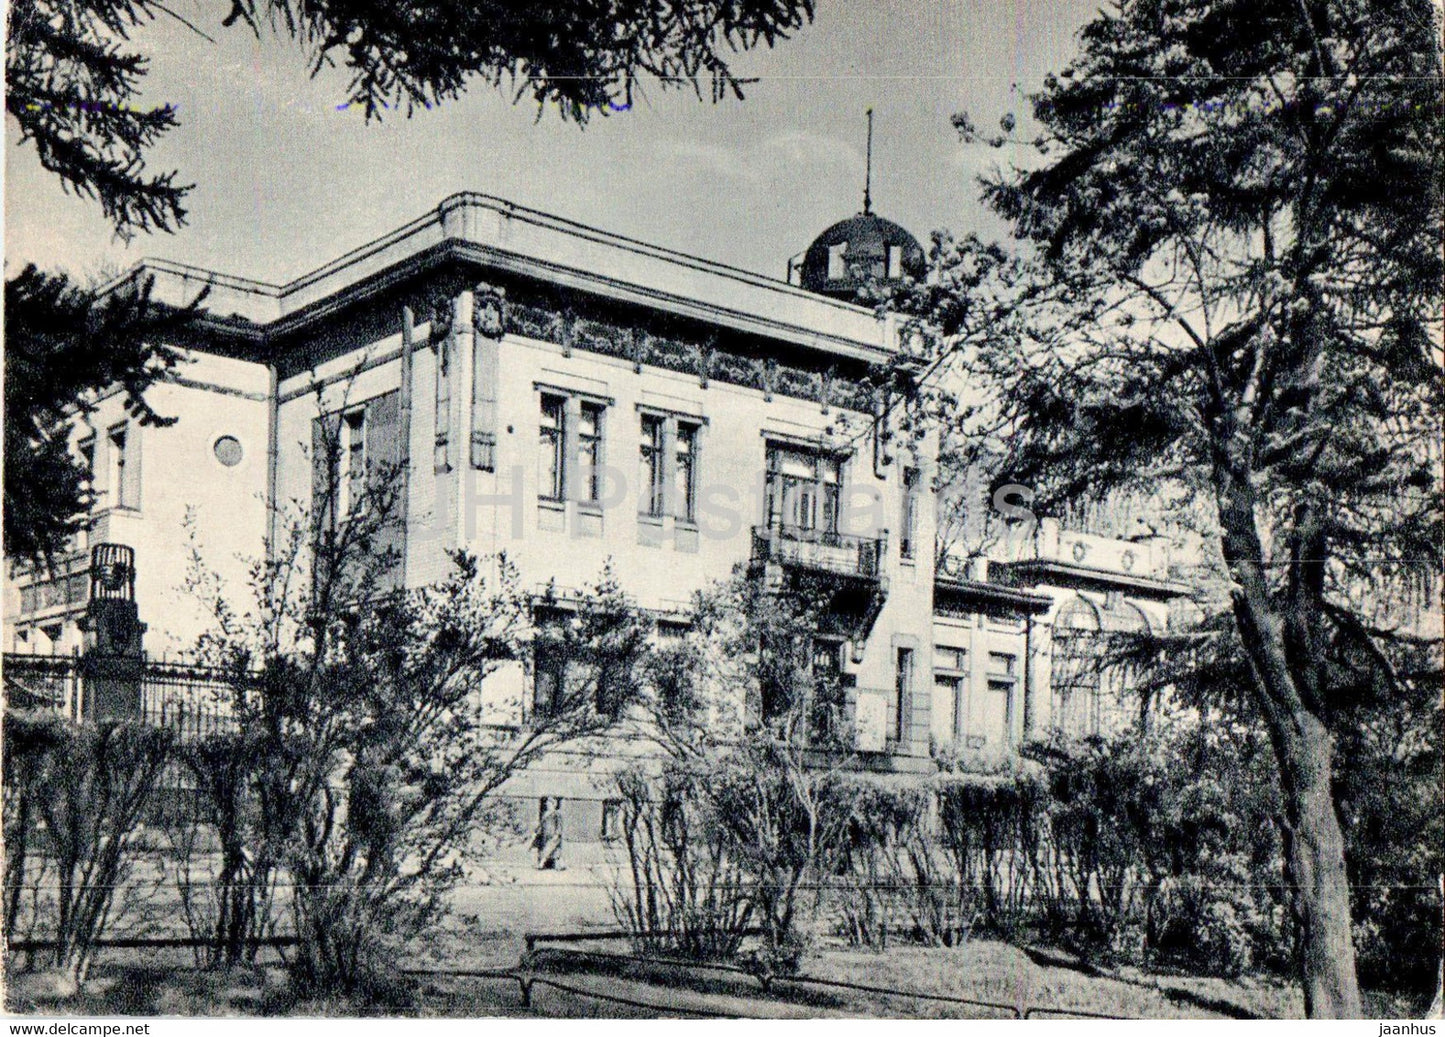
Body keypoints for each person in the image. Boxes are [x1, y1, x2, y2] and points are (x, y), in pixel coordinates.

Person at [533, 796, 565, 870]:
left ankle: (541, 864)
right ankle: (561, 865)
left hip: (553, 835)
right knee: (551, 850)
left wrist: (557, 834)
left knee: (550, 849)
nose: (548, 805)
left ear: (554, 804)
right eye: (547, 804)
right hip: (545, 835)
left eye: (549, 804)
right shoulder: (545, 813)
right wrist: (536, 832)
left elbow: (559, 825)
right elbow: (541, 824)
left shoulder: (557, 814)